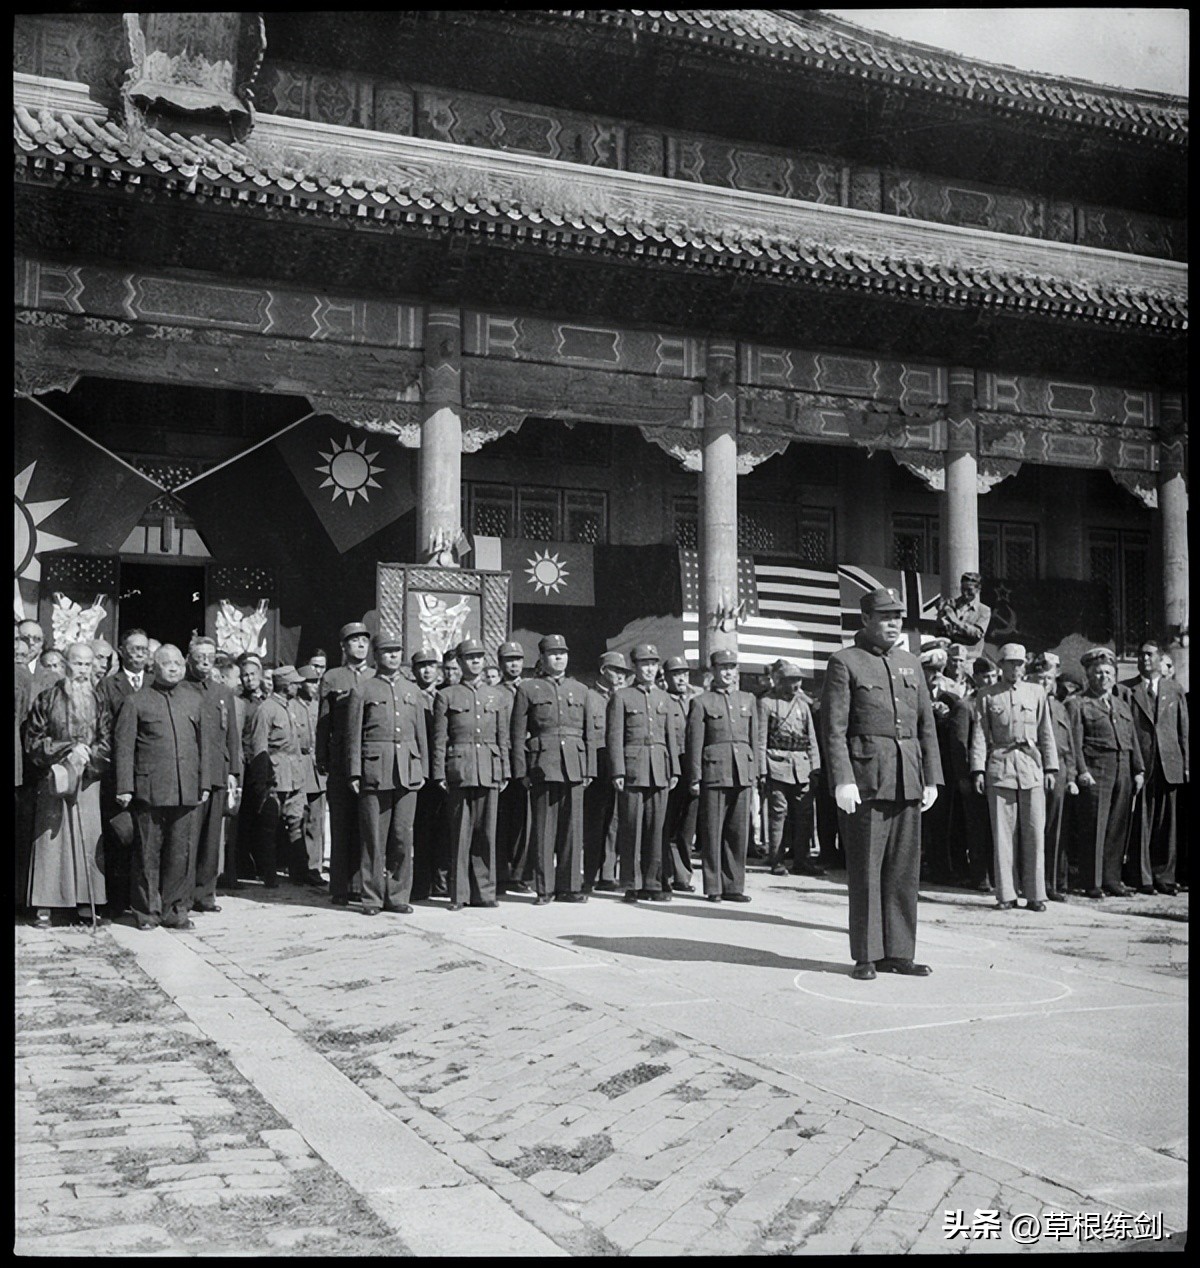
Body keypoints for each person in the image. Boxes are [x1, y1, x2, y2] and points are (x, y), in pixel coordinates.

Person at [821, 587, 943, 980]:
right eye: (885, 617)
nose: (893, 624)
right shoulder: (845, 662)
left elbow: (926, 726)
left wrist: (932, 778)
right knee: (867, 871)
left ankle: (900, 952)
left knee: (904, 871)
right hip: (867, 780)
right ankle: (867, 955)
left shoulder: (910, 663)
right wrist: (843, 779)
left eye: (898, 618)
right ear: (866, 620)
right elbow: (834, 729)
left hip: (908, 778)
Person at [114, 644, 209, 931]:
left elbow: (204, 746)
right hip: (150, 791)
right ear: (154, 667)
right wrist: (124, 787)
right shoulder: (136, 701)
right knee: (147, 854)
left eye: (178, 663)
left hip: (186, 789)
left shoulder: (194, 700)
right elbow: (124, 747)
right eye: (167, 663)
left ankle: (175, 911)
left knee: (181, 855)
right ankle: (146, 912)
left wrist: (204, 782)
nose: (174, 667)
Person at [23, 642, 112, 928]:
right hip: (56, 776)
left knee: (88, 837)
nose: (82, 670)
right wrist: (68, 749)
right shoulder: (47, 699)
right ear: (65, 665)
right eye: (77, 663)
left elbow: (106, 740)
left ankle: (87, 904)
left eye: (87, 664)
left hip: (88, 777)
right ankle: (46, 905)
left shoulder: (98, 700)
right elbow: (33, 741)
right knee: (52, 841)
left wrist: (89, 756)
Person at [970, 644, 1058, 913]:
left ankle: (1035, 894)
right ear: (1001, 665)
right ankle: (1006, 894)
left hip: (1031, 767)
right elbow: (980, 734)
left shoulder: (1037, 692)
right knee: (1003, 835)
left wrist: (1051, 768)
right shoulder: (987, 695)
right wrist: (978, 770)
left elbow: (1045, 732)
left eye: (1019, 663)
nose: (1015, 668)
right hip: (1001, 767)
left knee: (1034, 833)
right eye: (1010, 663)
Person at [347, 634, 429, 916]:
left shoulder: (412, 690)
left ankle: (397, 895)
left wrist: (423, 768)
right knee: (373, 837)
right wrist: (355, 772)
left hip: (408, 769)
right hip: (374, 770)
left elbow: (420, 734)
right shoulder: (363, 689)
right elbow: (353, 735)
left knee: (403, 836)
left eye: (397, 651)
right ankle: (371, 898)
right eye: (387, 652)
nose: (393, 656)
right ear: (376, 655)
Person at [510, 634, 594, 904]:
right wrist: (521, 771)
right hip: (542, 765)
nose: (559, 658)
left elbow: (589, 734)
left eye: (563, 653)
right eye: (553, 654)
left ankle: (570, 887)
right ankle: (544, 888)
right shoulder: (528, 689)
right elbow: (517, 734)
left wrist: (589, 768)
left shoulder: (581, 690)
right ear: (542, 658)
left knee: (573, 829)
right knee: (544, 829)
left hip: (574, 764)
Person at [432, 638, 511, 909]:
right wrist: (439, 772)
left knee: (486, 834)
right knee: (460, 834)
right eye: (469, 657)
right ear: (460, 662)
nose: (475, 661)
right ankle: (459, 894)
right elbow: (440, 739)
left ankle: (484, 893)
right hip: (459, 768)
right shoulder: (447, 695)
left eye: (479, 657)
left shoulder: (496, 696)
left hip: (489, 767)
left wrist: (504, 770)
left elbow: (503, 738)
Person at [1067, 647, 1144, 899]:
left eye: (1109, 673)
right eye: (1098, 673)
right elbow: (1075, 741)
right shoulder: (1078, 704)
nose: (1104, 677)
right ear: (1088, 675)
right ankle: (1092, 882)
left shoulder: (1121, 704)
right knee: (1094, 827)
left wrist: (1138, 769)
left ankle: (1112, 879)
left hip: (1123, 768)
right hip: (1096, 768)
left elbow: (1132, 738)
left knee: (1117, 826)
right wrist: (1081, 770)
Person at [687, 647, 759, 903]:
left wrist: (754, 774)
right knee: (712, 831)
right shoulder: (701, 702)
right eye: (723, 668)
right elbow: (695, 743)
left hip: (742, 772)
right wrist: (695, 777)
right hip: (714, 772)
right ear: (713, 671)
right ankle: (714, 886)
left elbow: (754, 739)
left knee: (738, 832)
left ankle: (734, 886)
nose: (728, 673)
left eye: (731, 668)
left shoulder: (748, 700)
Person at [608, 643, 678, 903]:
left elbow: (671, 737)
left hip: (659, 767)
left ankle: (653, 882)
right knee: (631, 828)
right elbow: (615, 736)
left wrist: (674, 770)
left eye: (653, 664)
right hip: (633, 768)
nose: (649, 669)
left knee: (656, 829)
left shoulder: (665, 698)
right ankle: (631, 884)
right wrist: (618, 770)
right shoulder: (622, 696)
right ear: (634, 667)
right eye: (644, 664)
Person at [181, 636, 242, 914]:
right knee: (189, 836)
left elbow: (231, 734)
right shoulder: (181, 688)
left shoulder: (222, 692)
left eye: (210, 656)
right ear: (189, 659)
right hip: (191, 774)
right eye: (200, 656)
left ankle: (205, 894)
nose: (205, 661)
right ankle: (183, 894)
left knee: (211, 838)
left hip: (217, 771)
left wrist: (233, 772)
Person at [1122, 640, 1188, 895]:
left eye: (1149, 655)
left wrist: (1186, 764)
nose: (1144, 659)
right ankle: (1143, 877)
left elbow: (1183, 729)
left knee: (1166, 823)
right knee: (1142, 820)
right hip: (1143, 762)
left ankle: (1165, 876)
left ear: (1161, 659)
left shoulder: (1175, 689)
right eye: (1141, 655)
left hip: (1169, 763)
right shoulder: (1127, 690)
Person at [316, 622, 375, 906]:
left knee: (367, 825)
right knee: (341, 824)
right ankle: (340, 887)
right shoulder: (332, 677)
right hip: (340, 760)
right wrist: (322, 757)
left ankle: (362, 886)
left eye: (364, 640)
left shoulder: (375, 676)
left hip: (369, 759)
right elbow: (323, 722)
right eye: (354, 640)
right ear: (343, 646)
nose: (361, 645)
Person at [94, 628, 151, 916]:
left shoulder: (155, 683)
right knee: (120, 836)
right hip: (119, 772)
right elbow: (102, 728)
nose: (140, 654)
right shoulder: (108, 685)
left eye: (144, 649)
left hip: (151, 772)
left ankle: (142, 899)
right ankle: (116, 902)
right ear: (122, 651)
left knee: (147, 840)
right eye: (134, 649)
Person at [757, 660, 821, 878]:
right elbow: (761, 739)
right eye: (791, 680)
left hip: (802, 766)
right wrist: (762, 771)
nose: (796, 685)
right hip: (776, 764)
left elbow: (811, 739)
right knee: (778, 813)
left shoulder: (803, 705)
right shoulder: (766, 703)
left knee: (804, 814)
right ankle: (776, 859)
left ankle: (802, 860)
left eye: (798, 680)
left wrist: (815, 767)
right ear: (780, 681)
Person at [244, 665, 305, 888]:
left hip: (294, 774)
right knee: (269, 827)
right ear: (285, 685)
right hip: (275, 775)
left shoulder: (292, 707)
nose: (298, 686)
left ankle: (299, 873)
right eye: (295, 683)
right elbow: (259, 747)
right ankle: (269, 874)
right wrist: (263, 783)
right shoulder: (266, 710)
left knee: (296, 822)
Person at [944, 658, 998, 891]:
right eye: (985, 677)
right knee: (977, 828)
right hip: (974, 777)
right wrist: (963, 778)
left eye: (993, 676)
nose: (990, 681)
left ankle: (995, 875)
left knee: (995, 828)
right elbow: (959, 747)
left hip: (997, 773)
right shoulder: (966, 706)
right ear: (975, 678)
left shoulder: (998, 702)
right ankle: (980, 876)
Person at [1031, 652, 1076, 902]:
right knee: (1032, 827)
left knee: (1055, 829)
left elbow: (1068, 744)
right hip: (1033, 768)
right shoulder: (1027, 702)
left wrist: (1071, 775)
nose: (1044, 683)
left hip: (1058, 771)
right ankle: (1030, 881)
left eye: (1048, 678)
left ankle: (1051, 882)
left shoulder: (1060, 707)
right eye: (1040, 678)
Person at [584, 650, 629, 891]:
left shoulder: (624, 697)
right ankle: (590, 873)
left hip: (620, 765)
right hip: (598, 765)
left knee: (615, 820)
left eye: (623, 672)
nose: (620, 676)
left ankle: (608, 873)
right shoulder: (589, 697)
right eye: (616, 670)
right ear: (603, 670)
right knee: (595, 821)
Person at [494, 640, 532, 895]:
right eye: (509, 660)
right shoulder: (494, 693)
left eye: (517, 659)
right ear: (500, 663)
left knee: (523, 820)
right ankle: (499, 873)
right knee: (500, 819)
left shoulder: (531, 689)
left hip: (526, 760)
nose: (514, 664)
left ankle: (519, 874)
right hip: (502, 759)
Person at [661, 654, 700, 892]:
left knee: (687, 826)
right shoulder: (662, 700)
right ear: (666, 677)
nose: (682, 679)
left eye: (684, 673)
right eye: (676, 674)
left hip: (692, 768)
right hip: (669, 767)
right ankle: (665, 874)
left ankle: (683, 875)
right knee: (667, 823)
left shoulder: (697, 699)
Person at [410, 646, 445, 901]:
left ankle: (441, 882)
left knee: (443, 828)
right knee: (420, 830)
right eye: (422, 666)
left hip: (443, 772)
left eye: (431, 665)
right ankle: (421, 884)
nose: (427, 670)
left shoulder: (446, 695)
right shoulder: (410, 697)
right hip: (419, 770)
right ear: (414, 670)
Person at [293, 664, 328, 888]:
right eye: (310, 682)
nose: (314, 686)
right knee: (297, 819)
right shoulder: (291, 707)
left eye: (316, 682)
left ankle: (314, 867)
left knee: (317, 820)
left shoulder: (319, 707)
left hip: (318, 769)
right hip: (298, 765)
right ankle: (297, 866)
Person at [936, 572, 992, 657]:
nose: (965, 593)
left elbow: (977, 634)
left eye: (969, 590)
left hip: (970, 656)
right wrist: (941, 613)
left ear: (978, 590)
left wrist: (955, 621)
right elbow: (940, 630)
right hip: (949, 654)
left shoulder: (984, 610)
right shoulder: (951, 604)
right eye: (963, 589)